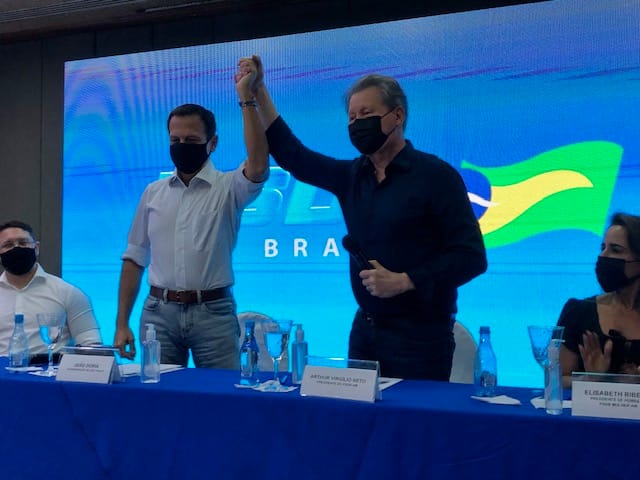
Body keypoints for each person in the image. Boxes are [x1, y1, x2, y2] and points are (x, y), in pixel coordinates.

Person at [249, 55, 487, 380]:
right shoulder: (352, 177)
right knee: (359, 413)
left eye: (366, 114)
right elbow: (295, 156)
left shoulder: (436, 176)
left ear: (397, 115)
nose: (357, 123)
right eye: (351, 117)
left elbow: (472, 257)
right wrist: (259, 91)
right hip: (365, 330)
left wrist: (406, 280)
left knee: (413, 414)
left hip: (421, 336)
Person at [113, 58, 269, 369]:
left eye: (192, 140)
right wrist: (121, 323)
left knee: (221, 394)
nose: (182, 145)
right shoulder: (153, 193)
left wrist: (247, 99)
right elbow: (134, 257)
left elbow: (258, 165)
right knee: (158, 394)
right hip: (157, 313)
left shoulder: (229, 187)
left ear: (212, 143)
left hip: (213, 313)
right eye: (175, 140)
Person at [557, 212, 640, 387]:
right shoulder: (578, 312)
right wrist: (591, 379)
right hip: (587, 406)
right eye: (603, 247)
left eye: (615, 250)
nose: (603, 255)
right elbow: (556, 380)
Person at [0, 220, 102, 356]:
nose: (17, 248)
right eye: (8, 245)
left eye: (23, 243)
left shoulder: (68, 293)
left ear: (36, 248)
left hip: (51, 368)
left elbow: (91, 346)